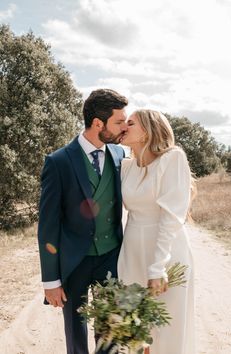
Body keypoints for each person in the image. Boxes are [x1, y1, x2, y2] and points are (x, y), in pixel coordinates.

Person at [37, 88, 128, 354]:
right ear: (98, 124)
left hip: (110, 255)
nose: (125, 127)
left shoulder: (120, 155)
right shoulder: (58, 161)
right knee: (76, 331)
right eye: (119, 121)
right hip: (75, 259)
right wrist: (50, 280)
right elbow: (48, 225)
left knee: (110, 330)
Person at [118, 109, 195, 354]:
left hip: (166, 256)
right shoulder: (126, 166)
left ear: (147, 132)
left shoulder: (173, 158)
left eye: (130, 123)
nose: (124, 126)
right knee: (133, 332)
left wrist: (157, 266)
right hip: (132, 255)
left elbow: (171, 217)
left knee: (167, 332)